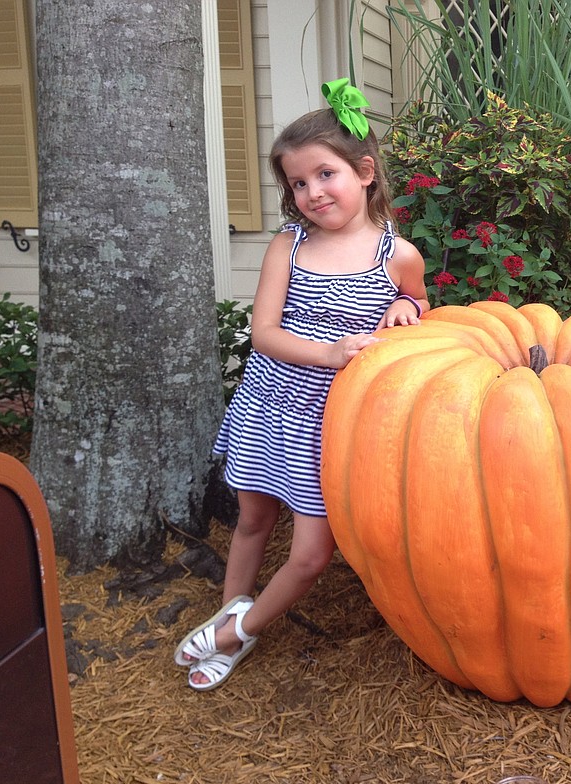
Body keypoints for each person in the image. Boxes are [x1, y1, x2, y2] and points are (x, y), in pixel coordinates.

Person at [174, 79, 427, 690]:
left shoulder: (398, 256)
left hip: (333, 422)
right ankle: (228, 619)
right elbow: (263, 333)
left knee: (312, 553)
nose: (312, 192)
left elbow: (421, 306)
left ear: (364, 171)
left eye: (325, 175)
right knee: (253, 522)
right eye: (298, 183)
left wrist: (408, 311)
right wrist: (331, 351)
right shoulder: (288, 246)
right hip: (271, 405)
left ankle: (240, 631)